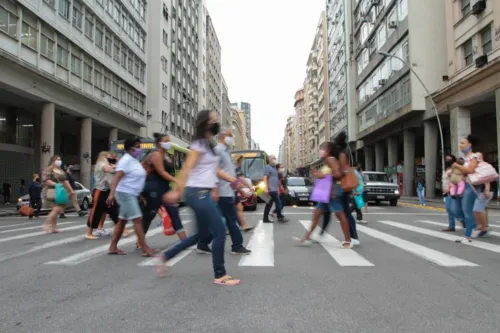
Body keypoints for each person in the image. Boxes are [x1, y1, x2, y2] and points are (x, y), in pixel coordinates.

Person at [159, 110, 242, 286]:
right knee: (219, 231)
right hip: (197, 193)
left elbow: (215, 170)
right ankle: (220, 274)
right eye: (213, 120)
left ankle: (166, 256)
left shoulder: (208, 145)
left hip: (200, 192)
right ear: (206, 123)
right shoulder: (198, 145)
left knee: (202, 235)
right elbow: (187, 167)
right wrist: (176, 190)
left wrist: (233, 181)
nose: (216, 123)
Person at [294, 139, 353, 248]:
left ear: (329, 150)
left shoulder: (331, 160)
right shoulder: (328, 161)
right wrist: (319, 174)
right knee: (316, 214)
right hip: (325, 192)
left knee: (340, 214)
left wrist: (323, 176)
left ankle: (348, 240)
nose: (322, 150)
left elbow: (338, 174)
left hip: (332, 191)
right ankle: (306, 238)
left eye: (324, 148)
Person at [106, 138, 154, 256]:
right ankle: (145, 248)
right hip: (125, 193)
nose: (140, 149)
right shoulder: (125, 160)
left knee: (122, 221)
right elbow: (117, 177)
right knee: (137, 219)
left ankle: (112, 247)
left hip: (131, 194)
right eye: (137, 146)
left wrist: (139, 195)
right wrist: (111, 194)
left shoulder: (134, 160)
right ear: (130, 148)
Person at [141, 133, 186, 244]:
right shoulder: (156, 154)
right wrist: (176, 181)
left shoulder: (166, 155)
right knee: (149, 215)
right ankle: (140, 241)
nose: (168, 143)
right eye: (166, 141)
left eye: (169, 140)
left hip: (165, 187)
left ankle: (185, 241)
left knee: (174, 212)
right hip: (154, 187)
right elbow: (161, 172)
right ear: (159, 143)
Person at [214, 127, 252, 255]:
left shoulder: (226, 151)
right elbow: (216, 172)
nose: (232, 138)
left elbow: (231, 174)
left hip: (228, 191)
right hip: (222, 192)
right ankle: (237, 245)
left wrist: (239, 188)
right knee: (231, 219)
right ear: (222, 136)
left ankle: (202, 242)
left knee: (229, 219)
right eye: (230, 135)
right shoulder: (218, 151)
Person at [451, 134, 480, 243]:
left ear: (469, 145)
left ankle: (468, 235)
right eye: (460, 143)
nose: (460, 145)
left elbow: (471, 170)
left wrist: (457, 166)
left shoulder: (474, 157)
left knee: (467, 211)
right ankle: (473, 226)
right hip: (459, 186)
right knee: (455, 209)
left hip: (470, 186)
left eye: (463, 143)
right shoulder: (462, 158)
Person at [85, 151, 119, 240]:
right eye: (108, 155)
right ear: (104, 156)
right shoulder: (101, 164)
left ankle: (121, 228)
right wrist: (119, 165)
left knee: (114, 209)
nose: (110, 157)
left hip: (107, 190)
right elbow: (110, 169)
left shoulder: (107, 164)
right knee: (96, 211)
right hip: (100, 190)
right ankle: (89, 232)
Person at [41, 155, 73, 233]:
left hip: (61, 192)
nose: (59, 161)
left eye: (60, 159)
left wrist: (71, 190)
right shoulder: (49, 169)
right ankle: (47, 224)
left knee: (58, 209)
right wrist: (56, 185)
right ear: (53, 160)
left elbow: (65, 181)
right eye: (57, 159)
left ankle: (54, 228)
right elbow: (46, 180)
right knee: (56, 209)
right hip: (51, 191)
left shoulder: (61, 170)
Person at [441, 154, 465, 232]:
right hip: (446, 192)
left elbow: (456, 178)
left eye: (449, 159)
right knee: (449, 209)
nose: (447, 160)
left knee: (452, 208)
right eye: (446, 159)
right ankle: (451, 226)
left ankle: (463, 220)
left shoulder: (454, 168)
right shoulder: (446, 168)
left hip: (452, 191)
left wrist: (449, 188)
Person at [262, 155, 289, 223]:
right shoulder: (267, 167)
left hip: (275, 189)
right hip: (271, 190)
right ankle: (279, 216)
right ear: (270, 159)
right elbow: (265, 178)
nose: (275, 159)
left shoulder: (274, 168)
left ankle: (266, 219)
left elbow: (276, 178)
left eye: (275, 158)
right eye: (273, 158)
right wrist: (266, 188)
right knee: (279, 203)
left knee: (269, 205)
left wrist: (279, 186)